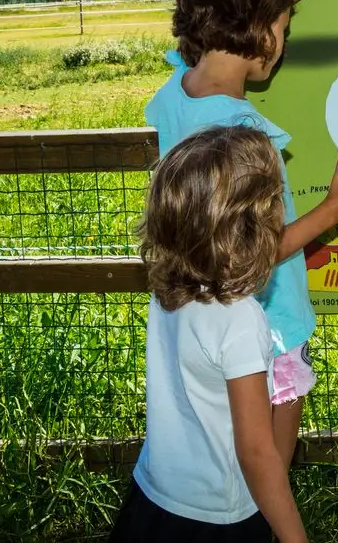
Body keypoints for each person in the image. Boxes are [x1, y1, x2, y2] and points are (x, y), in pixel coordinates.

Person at [147, 0, 338, 465]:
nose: (282, 44)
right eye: (283, 28)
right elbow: (246, 257)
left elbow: (185, 61)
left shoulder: (177, 91)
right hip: (267, 325)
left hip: (195, 313)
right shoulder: (241, 136)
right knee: (268, 470)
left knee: (219, 455)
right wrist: (336, 208)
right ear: (261, 30)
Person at [113, 126, 304, 542]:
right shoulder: (240, 318)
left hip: (152, 495)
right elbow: (257, 453)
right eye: (275, 200)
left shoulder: (169, 290)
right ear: (252, 226)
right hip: (218, 516)